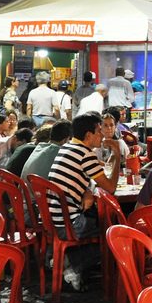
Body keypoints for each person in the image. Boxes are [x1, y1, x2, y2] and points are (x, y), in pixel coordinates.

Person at [46, 112, 121, 288]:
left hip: (55, 218)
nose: (102, 135)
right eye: (99, 131)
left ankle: (67, 260)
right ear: (88, 135)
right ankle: (76, 267)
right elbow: (110, 188)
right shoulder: (85, 154)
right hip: (70, 224)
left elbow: (83, 179)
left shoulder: (67, 148)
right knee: (113, 231)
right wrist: (117, 154)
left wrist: (87, 189)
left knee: (104, 221)